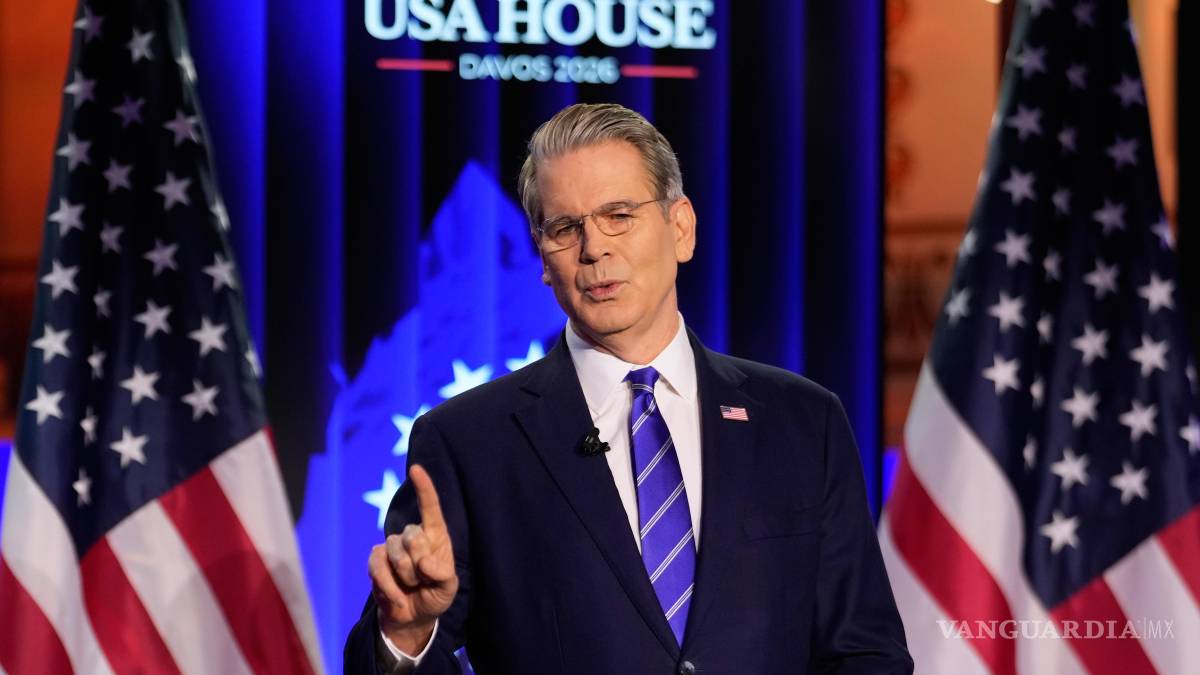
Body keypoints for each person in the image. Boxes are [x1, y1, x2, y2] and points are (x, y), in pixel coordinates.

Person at [344, 103, 912, 674]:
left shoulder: (803, 421)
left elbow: (865, 652)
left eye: (618, 215)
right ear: (543, 257)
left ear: (681, 228)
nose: (594, 248)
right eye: (565, 228)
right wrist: (408, 635)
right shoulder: (467, 443)